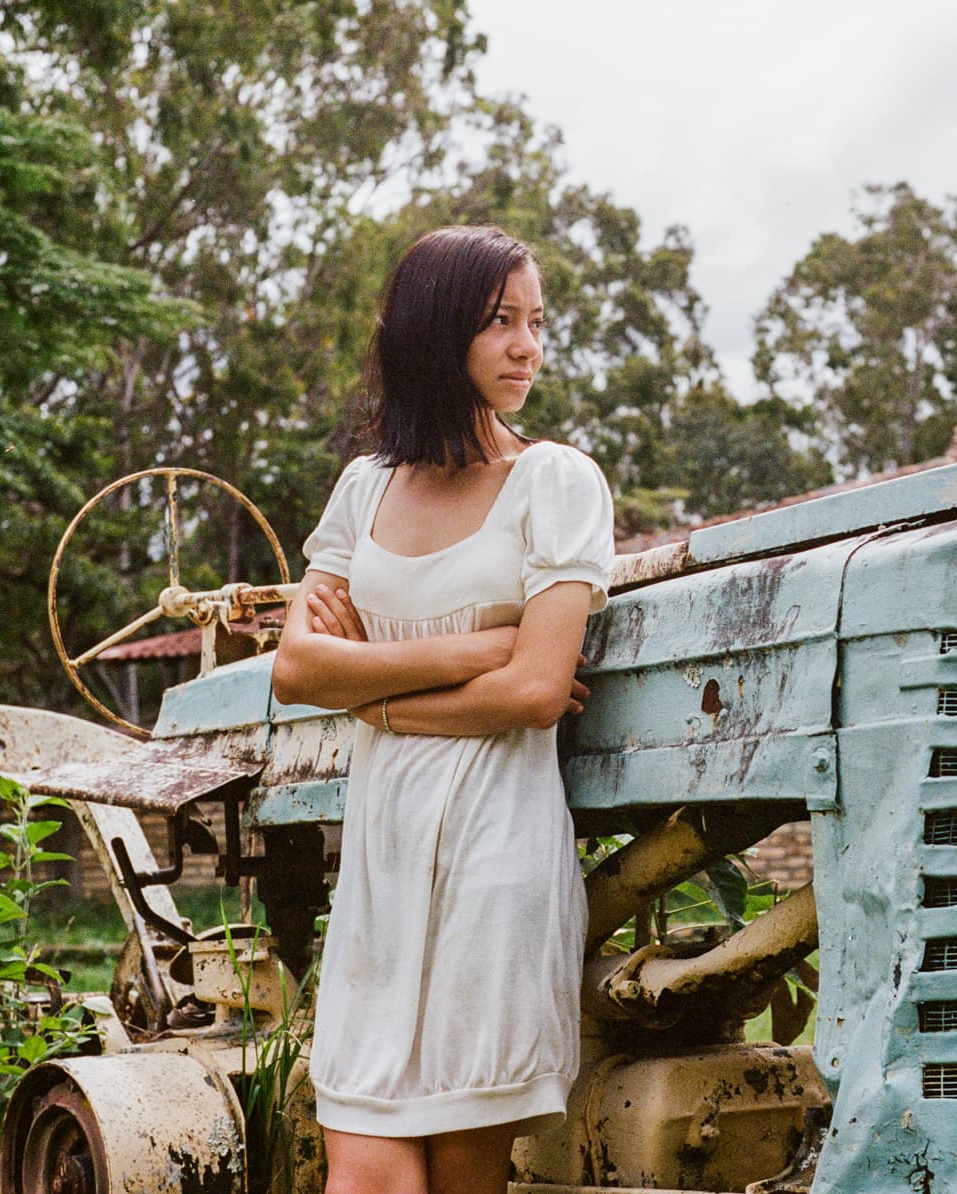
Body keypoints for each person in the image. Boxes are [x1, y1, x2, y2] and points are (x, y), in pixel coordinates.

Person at [270, 224, 615, 1194]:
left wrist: (374, 694)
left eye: (536, 323)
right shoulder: (364, 490)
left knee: (462, 1178)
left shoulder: (556, 482)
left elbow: (538, 691)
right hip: (380, 860)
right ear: (434, 333)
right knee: (367, 1170)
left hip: (494, 854)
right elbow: (297, 669)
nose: (527, 347)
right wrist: (475, 650)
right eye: (499, 322)